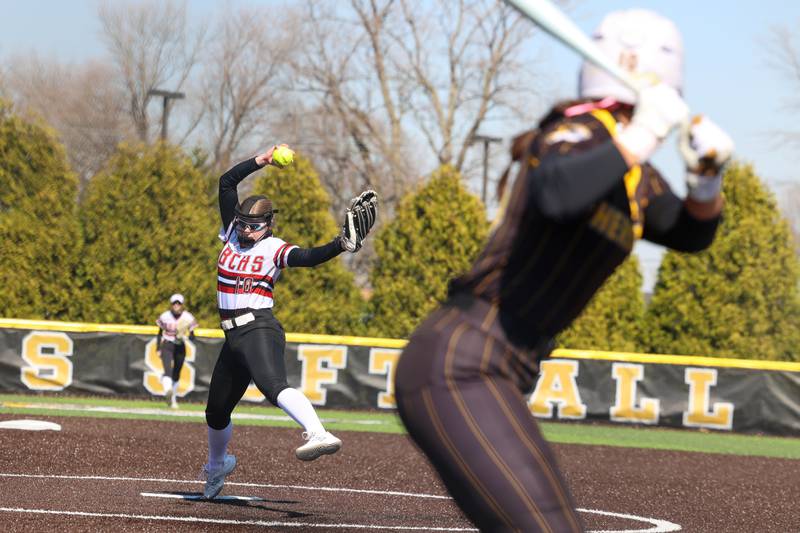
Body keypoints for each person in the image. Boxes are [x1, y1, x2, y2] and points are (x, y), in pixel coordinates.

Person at [394, 9, 733, 532]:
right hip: (461, 359)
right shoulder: (577, 130)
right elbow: (556, 194)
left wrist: (706, 178)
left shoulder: (634, 173)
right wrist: (641, 133)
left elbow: (690, 234)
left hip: (502, 366)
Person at [201, 144, 377, 500]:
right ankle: (218, 465)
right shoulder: (232, 234)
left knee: (272, 385)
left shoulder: (273, 248)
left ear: (268, 225)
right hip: (232, 338)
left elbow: (307, 257)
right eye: (244, 223)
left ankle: (317, 432)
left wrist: (340, 244)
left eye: (255, 225)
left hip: (259, 328)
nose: (247, 230)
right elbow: (225, 183)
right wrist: (261, 161)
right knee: (216, 412)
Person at [155, 293, 198, 409]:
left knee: (176, 372)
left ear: (182, 305)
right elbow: (159, 333)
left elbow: (193, 335)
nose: (176, 305)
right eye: (174, 303)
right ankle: (168, 391)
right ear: (171, 304)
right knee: (167, 370)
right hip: (167, 344)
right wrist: (158, 348)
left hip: (180, 346)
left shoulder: (187, 317)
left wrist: (188, 336)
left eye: (179, 303)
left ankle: (172, 399)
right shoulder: (165, 316)